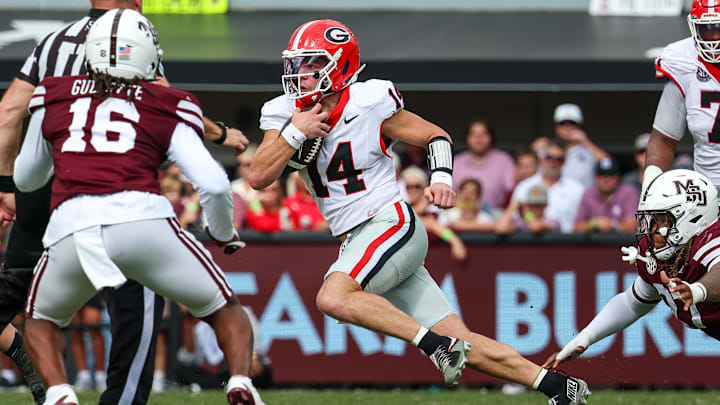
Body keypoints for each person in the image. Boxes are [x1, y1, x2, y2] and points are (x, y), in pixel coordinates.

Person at [249, 19, 590, 404]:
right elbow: (259, 175)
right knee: (465, 343)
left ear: (340, 66)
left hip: (389, 223)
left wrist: (442, 177)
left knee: (334, 297)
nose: (300, 74)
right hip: (358, 240)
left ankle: (434, 346)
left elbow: (435, 135)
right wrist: (296, 131)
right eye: (297, 64)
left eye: (312, 63)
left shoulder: (370, 102)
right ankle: (561, 388)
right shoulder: (284, 113)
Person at [0, 1, 250, 404]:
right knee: (221, 308)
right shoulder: (168, 100)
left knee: (39, 320)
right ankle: (240, 380)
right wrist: (221, 231)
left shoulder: (53, 88)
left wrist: (28, 173)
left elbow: (24, 163)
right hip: (143, 217)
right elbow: (215, 185)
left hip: (68, 217)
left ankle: (60, 391)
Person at [545, 169, 720, 369]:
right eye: (651, 220)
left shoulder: (709, 241)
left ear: (693, 218)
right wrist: (586, 336)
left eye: (662, 220)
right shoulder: (659, 254)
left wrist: (698, 290)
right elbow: (631, 303)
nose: (653, 230)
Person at [644, 0, 720, 193]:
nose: (716, 37)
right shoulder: (683, 61)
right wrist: (650, 188)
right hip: (709, 195)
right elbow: (664, 139)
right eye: (708, 28)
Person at [511, 139, 585, 233]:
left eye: (559, 159)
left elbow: (582, 222)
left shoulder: (577, 189)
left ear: (565, 161)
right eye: (549, 158)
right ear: (541, 159)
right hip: (529, 242)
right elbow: (513, 218)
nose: (554, 163)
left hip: (567, 243)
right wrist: (529, 216)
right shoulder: (524, 186)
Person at [402, 166, 467, 261]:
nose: (412, 190)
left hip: (438, 255)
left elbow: (431, 224)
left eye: (417, 186)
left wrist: (455, 242)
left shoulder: (434, 205)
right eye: (408, 187)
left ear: (424, 187)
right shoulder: (402, 205)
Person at [452, 119, 515, 210]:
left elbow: (513, 192)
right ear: (467, 137)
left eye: (484, 134)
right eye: (474, 134)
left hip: (496, 217)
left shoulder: (504, 160)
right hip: (459, 216)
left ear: (491, 137)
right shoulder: (456, 162)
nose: (479, 138)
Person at [574, 157, 639, 234]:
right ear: (595, 178)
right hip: (596, 244)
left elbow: (633, 226)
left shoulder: (628, 192)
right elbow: (576, 227)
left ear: (618, 177)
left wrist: (612, 225)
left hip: (622, 243)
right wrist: (593, 224)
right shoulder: (589, 194)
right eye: (601, 175)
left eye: (610, 175)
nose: (605, 179)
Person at [552, 103, 609, 188]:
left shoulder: (589, 149)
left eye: (572, 123)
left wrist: (585, 141)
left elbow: (608, 163)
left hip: (582, 199)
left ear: (579, 126)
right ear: (556, 127)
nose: (567, 127)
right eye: (562, 123)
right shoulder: (547, 149)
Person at [68, 297, 106, 391]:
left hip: (92, 285)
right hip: (73, 287)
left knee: (93, 325)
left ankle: (100, 377)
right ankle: (83, 376)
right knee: (74, 328)